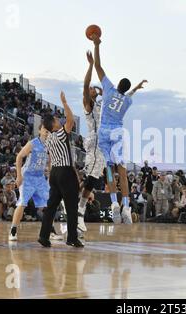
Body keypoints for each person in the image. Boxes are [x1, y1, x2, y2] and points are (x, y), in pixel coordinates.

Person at [91, 33, 147, 224]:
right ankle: (126, 205)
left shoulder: (108, 89)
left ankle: (114, 203)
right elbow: (128, 94)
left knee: (108, 169)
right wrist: (137, 89)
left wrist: (97, 45)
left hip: (104, 132)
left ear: (117, 85)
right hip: (117, 132)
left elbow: (98, 67)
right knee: (122, 170)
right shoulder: (127, 101)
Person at [38, 92, 83, 248]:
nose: (59, 120)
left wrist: (51, 175)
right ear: (54, 125)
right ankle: (72, 237)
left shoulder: (48, 139)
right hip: (65, 171)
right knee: (71, 206)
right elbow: (71, 120)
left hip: (55, 172)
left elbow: (50, 159)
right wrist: (64, 103)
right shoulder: (60, 134)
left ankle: (43, 236)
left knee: (51, 207)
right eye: (57, 120)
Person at [77, 50, 105, 237]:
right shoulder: (88, 103)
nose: (93, 88)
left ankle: (71, 199)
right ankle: (79, 210)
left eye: (95, 88)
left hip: (102, 143)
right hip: (94, 140)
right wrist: (90, 65)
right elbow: (86, 83)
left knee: (93, 179)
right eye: (92, 88)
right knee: (91, 178)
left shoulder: (100, 103)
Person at [9, 125, 51, 241]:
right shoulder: (33, 143)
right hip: (27, 177)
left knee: (48, 204)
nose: (47, 133)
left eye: (49, 131)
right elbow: (19, 157)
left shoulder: (48, 144)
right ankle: (13, 230)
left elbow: (50, 160)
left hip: (40, 178)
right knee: (22, 203)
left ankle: (50, 230)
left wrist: (50, 175)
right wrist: (19, 176)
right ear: (39, 130)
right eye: (45, 130)